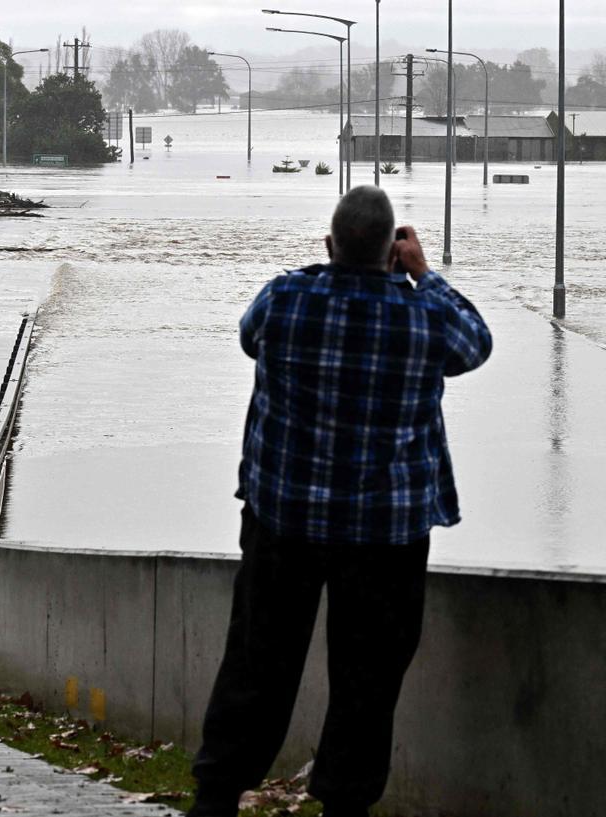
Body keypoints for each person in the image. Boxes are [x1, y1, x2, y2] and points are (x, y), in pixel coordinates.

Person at [189, 186, 492, 817]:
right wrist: (424, 274)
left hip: (283, 520)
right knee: (368, 678)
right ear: (392, 253)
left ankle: (217, 795)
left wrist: (332, 271)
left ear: (329, 245)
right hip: (386, 535)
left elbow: (250, 340)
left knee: (257, 663)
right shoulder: (424, 317)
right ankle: (344, 805)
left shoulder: (285, 298)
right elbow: (476, 344)